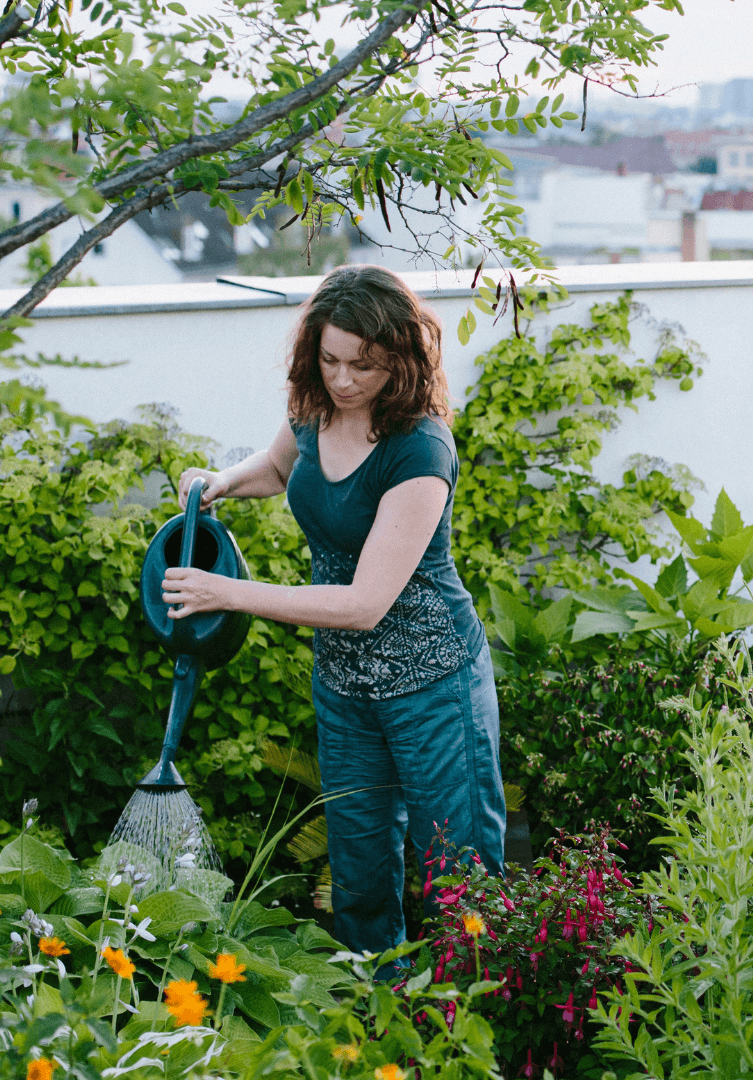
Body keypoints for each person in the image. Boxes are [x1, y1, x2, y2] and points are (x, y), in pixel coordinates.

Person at [163, 264, 506, 959]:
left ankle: (472, 1028)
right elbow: (282, 466)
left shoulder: (419, 449)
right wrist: (222, 481)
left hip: (434, 685)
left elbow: (362, 604)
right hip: (347, 690)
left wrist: (223, 591)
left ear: (401, 360)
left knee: (458, 877)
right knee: (358, 879)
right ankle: (373, 1025)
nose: (344, 380)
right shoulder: (314, 408)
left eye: (364, 366)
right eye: (330, 360)